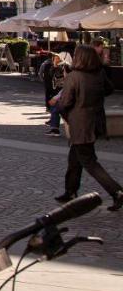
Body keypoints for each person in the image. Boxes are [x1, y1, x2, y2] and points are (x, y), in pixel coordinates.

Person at [54, 44, 123, 211]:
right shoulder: (98, 74)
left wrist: (66, 113)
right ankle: (70, 191)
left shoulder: (74, 76)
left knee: (89, 161)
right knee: (75, 158)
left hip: (80, 124)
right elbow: (109, 89)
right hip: (94, 121)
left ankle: (117, 192)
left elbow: (65, 102)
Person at [41, 51, 71, 136]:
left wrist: (56, 98)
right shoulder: (54, 67)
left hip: (71, 100)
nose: (63, 73)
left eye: (64, 72)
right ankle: (54, 127)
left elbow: (66, 90)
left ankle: (55, 128)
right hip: (62, 94)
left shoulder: (69, 79)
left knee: (56, 106)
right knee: (55, 106)